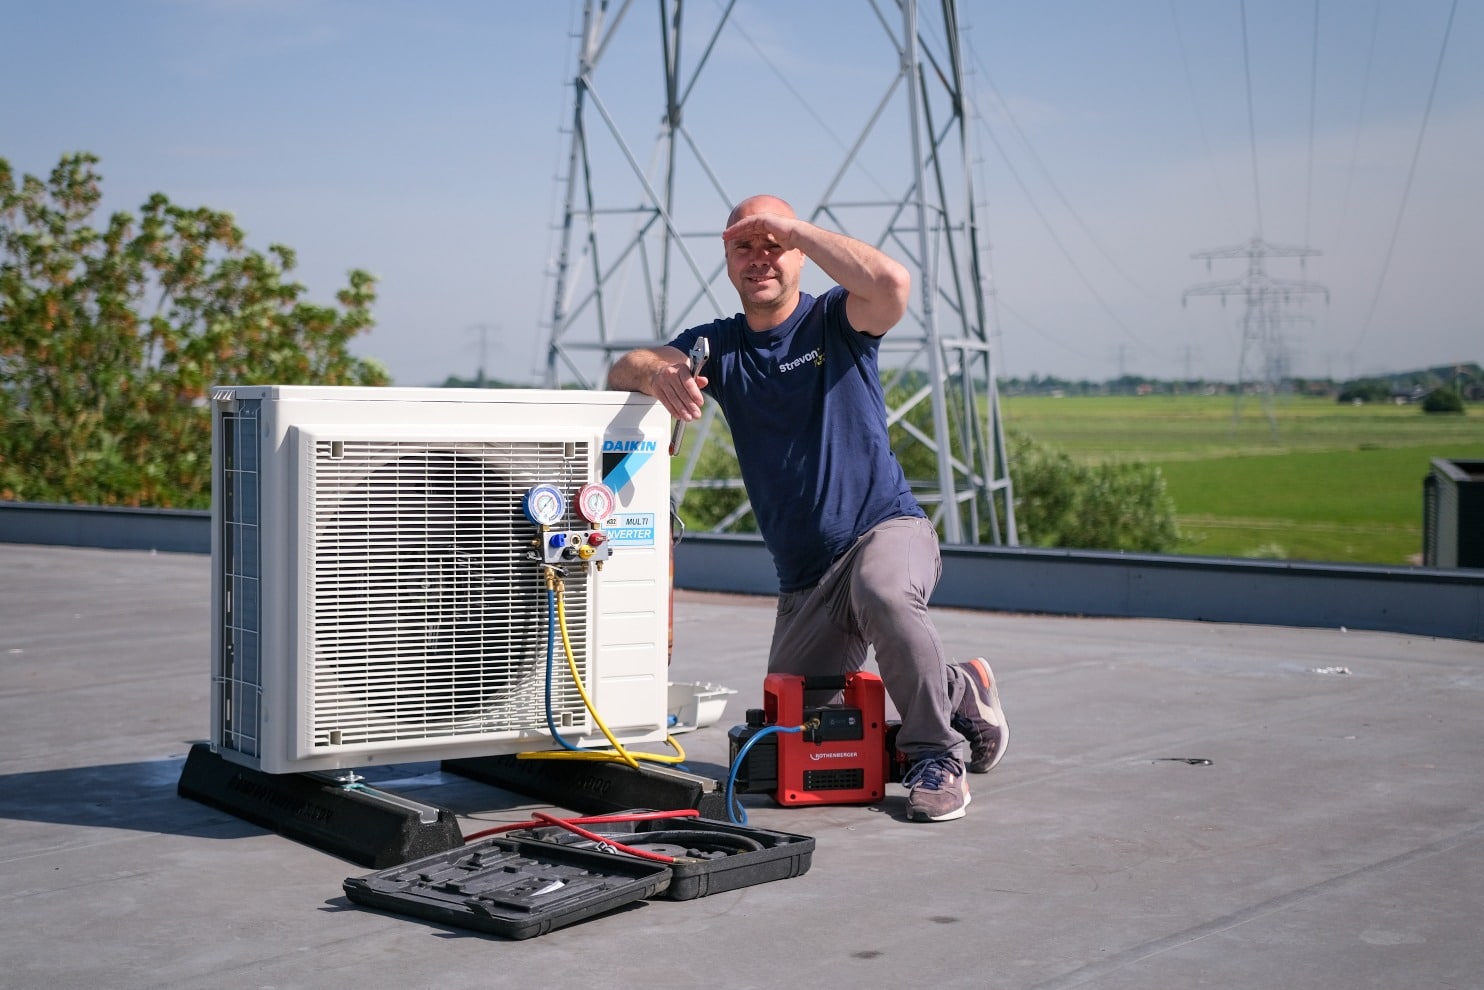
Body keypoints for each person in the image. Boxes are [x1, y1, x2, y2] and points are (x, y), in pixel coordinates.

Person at [607, 194, 1007, 822]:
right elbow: (622, 368)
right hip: (806, 580)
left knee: (882, 592)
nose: (760, 258)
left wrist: (792, 226)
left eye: (774, 245)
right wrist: (658, 373)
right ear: (728, 259)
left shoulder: (835, 320)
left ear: (801, 254)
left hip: (884, 530)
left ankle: (938, 755)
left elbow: (893, 283)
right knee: (797, 740)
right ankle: (959, 689)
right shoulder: (719, 346)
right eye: (745, 245)